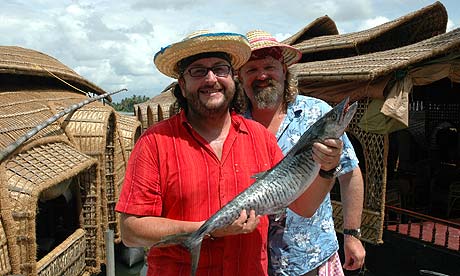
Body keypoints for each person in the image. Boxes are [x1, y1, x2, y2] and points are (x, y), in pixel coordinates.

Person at [115, 30, 344, 276]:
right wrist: (208, 229)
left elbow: (303, 206)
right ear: (182, 85)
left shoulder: (261, 138)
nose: (211, 79)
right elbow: (132, 231)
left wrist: (327, 168)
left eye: (220, 69)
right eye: (198, 71)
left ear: (233, 79)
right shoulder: (154, 143)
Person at [236, 30, 366, 276]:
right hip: (253, 261)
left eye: (269, 67)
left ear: (284, 70)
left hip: (311, 258)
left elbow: (350, 173)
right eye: (251, 70)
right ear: (240, 77)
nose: (262, 75)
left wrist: (352, 234)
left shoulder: (316, 113)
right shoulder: (233, 125)